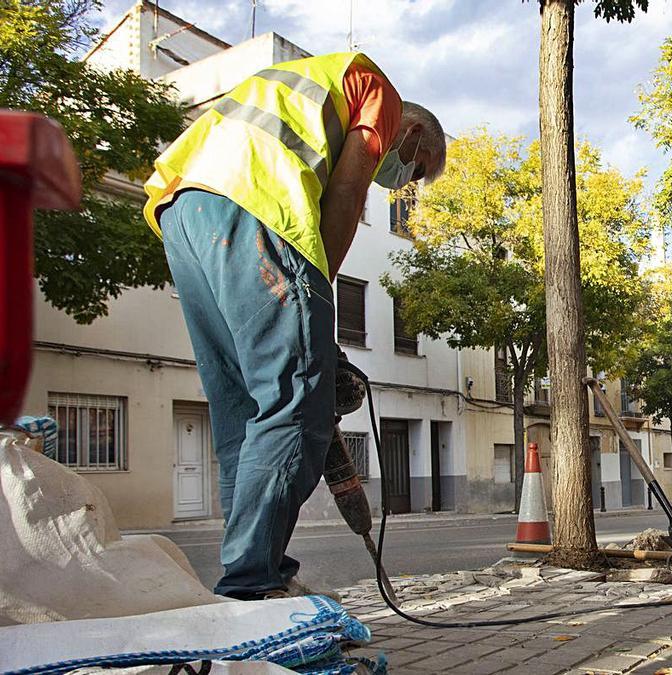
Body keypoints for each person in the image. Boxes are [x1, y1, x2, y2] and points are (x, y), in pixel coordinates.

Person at [141, 52, 446, 600]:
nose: (407, 183)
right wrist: (314, 313)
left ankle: (259, 574)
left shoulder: (299, 83)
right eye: (416, 168)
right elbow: (348, 195)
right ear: (415, 130)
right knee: (296, 404)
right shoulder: (378, 91)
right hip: (256, 206)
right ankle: (254, 586)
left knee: (243, 415)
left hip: (183, 213)